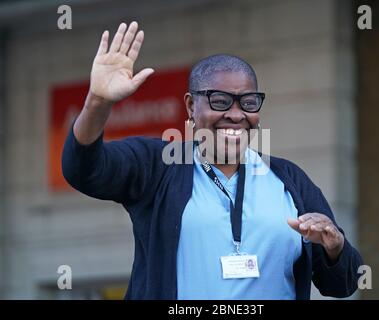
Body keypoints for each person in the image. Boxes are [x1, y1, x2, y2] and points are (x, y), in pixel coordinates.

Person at [62, 21, 363, 300]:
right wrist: (98, 102)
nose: (236, 114)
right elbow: (84, 170)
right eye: (220, 101)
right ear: (191, 106)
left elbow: (343, 283)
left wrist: (335, 247)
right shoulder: (159, 166)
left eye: (248, 102)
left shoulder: (290, 180)